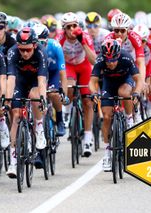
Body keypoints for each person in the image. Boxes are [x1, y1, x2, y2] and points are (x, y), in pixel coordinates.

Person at [89, 38, 143, 171]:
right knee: (107, 117)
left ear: (118, 55)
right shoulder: (100, 60)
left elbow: (138, 79)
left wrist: (136, 93)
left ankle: (129, 118)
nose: (111, 63)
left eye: (113, 60)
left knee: (124, 93)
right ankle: (107, 153)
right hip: (109, 84)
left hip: (125, 80)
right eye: (108, 60)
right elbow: (92, 81)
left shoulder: (126, 57)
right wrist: (94, 92)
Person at [4, 27, 48, 177]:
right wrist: (7, 101)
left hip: (35, 81)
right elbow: (10, 79)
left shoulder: (41, 52)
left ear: (34, 45)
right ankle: (13, 162)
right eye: (22, 50)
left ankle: (39, 128)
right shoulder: (12, 52)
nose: (25, 53)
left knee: (35, 96)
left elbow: (42, 81)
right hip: (19, 81)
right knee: (16, 115)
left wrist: (43, 100)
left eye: (28, 50)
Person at [58, 12, 96, 157]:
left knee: (87, 101)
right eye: (69, 27)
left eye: (75, 26)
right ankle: (67, 113)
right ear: (64, 29)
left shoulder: (84, 36)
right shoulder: (60, 38)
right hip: (69, 66)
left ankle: (87, 137)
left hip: (84, 65)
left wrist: (83, 42)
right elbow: (56, 58)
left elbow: (93, 60)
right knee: (70, 87)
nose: (72, 29)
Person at [33, 24, 68, 136]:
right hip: (37, 74)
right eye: (37, 44)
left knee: (54, 94)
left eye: (42, 43)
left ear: (47, 40)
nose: (40, 47)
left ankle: (59, 120)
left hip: (52, 73)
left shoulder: (55, 46)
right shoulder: (29, 49)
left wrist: (64, 94)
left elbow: (62, 73)